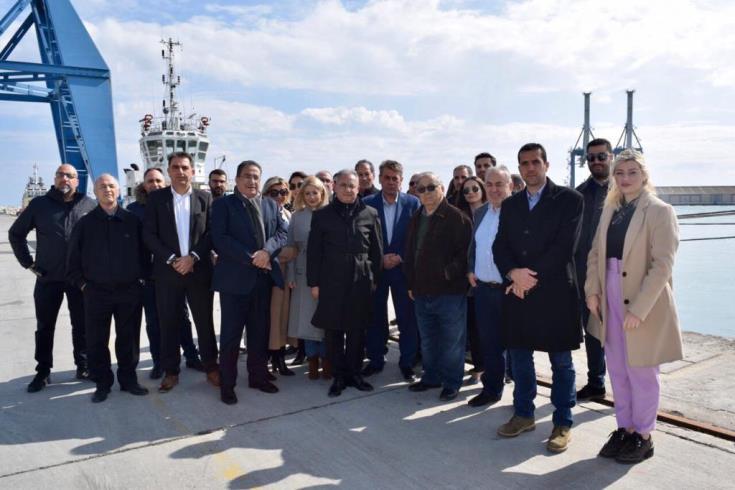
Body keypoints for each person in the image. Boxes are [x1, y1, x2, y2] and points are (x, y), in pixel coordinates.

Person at [585, 149, 683, 464]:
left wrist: (639, 309)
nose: (625, 178)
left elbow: (662, 265)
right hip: (609, 293)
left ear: (644, 175)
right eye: (620, 173)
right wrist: (592, 290)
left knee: (641, 370)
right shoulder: (610, 209)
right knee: (617, 369)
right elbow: (595, 253)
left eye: (632, 172)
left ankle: (644, 435)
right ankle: (625, 428)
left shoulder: (660, 211)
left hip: (642, 298)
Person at [492, 143, 583, 453]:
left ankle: (563, 422)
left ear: (546, 164)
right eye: (524, 163)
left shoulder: (570, 200)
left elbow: (564, 247)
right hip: (517, 292)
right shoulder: (511, 204)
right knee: (519, 357)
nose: (530, 168)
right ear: (519, 168)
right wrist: (512, 273)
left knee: (561, 362)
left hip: (555, 292)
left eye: (535, 162)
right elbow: (500, 245)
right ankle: (523, 414)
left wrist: (527, 278)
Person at [9, 163, 96, 392]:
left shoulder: (88, 205)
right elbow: (16, 234)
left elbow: (100, 240)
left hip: (79, 279)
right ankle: (43, 371)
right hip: (48, 278)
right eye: (60, 175)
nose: (64, 179)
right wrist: (29, 263)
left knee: (82, 325)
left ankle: (84, 365)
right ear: (55, 179)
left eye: (69, 175)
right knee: (45, 326)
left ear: (77, 181)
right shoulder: (40, 205)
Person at [211, 160, 288, 404]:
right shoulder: (223, 205)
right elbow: (220, 238)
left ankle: (258, 376)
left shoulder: (270, 204)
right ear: (237, 179)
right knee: (231, 337)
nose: (252, 181)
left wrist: (267, 252)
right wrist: (253, 258)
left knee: (259, 333)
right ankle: (227, 384)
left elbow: (282, 233)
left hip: (262, 281)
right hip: (234, 282)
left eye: (256, 176)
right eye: (247, 176)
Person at [143, 152, 220, 393]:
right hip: (168, 273)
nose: (180, 172)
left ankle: (211, 367)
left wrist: (193, 257)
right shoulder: (156, 200)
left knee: (204, 322)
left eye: (185, 167)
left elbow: (211, 233)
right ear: (169, 171)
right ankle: (171, 371)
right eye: (175, 167)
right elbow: (149, 234)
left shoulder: (205, 198)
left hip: (199, 271)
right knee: (168, 323)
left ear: (192, 171)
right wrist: (172, 259)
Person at [66, 174, 148, 403]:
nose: (107, 190)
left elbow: (145, 255)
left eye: (111, 186)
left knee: (128, 339)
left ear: (119, 191)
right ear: (95, 192)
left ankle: (129, 380)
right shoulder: (85, 224)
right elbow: (72, 260)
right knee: (96, 341)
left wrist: (141, 281)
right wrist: (83, 285)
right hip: (96, 293)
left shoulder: (132, 221)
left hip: (129, 292)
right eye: (102, 186)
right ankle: (102, 383)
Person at [307, 169, 383, 397]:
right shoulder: (322, 215)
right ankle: (339, 375)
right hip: (331, 280)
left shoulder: (370, 213)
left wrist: (374, 279)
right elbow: (314, 252)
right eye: (343, 185)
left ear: (358, 188)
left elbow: (377, 250)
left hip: (361, 280)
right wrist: (314, 283)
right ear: (334, 187)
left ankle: (355, 373)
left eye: (352, 185)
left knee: (357, 329)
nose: (348, 190)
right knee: (333, 331)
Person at [127, 168, 204, 379]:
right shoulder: (134, 210)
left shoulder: (172, 203)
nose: (154, 185)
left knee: (182, 317)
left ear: (165, 182)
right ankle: (159, 361)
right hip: (149, 275)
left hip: (176, 271)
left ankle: (191, 355)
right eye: (150, 181)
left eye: (158, 181)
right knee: (154, 321)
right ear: (144, 185)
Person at [404, 172, 472, 402]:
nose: (426, 193)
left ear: (442, 188)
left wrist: (446, 274)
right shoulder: (416, 217)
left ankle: (452, 383)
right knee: (428, 340)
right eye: (421, 189)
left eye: (431, 187)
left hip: (449, 292)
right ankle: (431, 377)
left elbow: (465, 255)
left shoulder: (457, 218)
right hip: (421, 291)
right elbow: (410, 252)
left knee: (452, 342)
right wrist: (411, 283)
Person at [362, 160, 421, 381]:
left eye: (394, 178)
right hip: (377, 271)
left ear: (401, 180)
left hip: (402, 270)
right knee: (375, 318)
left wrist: (401, 257)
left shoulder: (413, 203)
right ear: (379, 179)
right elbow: (363, 238)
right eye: (386, 177)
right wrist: (380, 259)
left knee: (407, 318)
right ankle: (376, 359)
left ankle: (407, 362)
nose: (390, 182)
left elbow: (417, 237)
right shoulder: (367, 203)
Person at [466, 166, 514, 407]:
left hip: (510, 291)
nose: (494, 189)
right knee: (490, 344)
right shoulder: (481, 212)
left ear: (510, 186)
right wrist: (470, 269)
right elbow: (474, 245)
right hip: (484, 290)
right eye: (490, 184)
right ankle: (492, 389)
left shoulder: (518, 212)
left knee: (517, 346)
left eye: (499, 184)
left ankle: (522, 399)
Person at [575, 138, 613, 401]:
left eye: (601, 156)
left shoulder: (623, 190)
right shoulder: (578, 195)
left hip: (618, 273)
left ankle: (627, 385)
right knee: (592, 332)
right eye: (591, 158)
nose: (596, 162)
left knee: (622, 334)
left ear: (611, 157)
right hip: (585, 275)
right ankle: (596, 382)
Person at [285, 176, 331, 380]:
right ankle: (312, 360)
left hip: (327, 272)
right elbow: (290, 247)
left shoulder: (331, 214)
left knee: (326, 318)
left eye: (315, 193)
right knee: (307, 320)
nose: (312, 197)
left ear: (322, 193)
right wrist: (291, 274)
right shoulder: (297, 216)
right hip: (303, 273)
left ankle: (327, 360)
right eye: (308, 193)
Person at [455, 176, 489, 385]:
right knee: (474, 328)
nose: (470, 193)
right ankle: (479, 367)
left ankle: (501, 370)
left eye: (475, 188)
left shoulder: (493, 211)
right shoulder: (459, 215)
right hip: (466, 280)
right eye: (466, 190)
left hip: (490, 278)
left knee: (494, 329)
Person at [263, 176, 295, 377]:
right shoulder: (263, 212)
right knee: (270, 319)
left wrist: (290, 252)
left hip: (286, 273)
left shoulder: (289, 214)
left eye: (283, 192)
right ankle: (268, 358)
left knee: (283, 318)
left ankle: (279, 357)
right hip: (269, 271)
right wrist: (288, 252)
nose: (279, 196)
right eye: (274, 192)